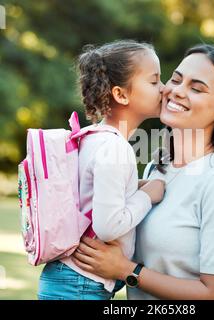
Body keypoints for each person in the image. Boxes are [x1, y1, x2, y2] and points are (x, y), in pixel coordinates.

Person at [71, 44, 214, 300]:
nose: (177, 91)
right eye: (176, 79)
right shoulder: (157, 168)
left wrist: (126, 270)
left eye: (196, 88)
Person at [38, 40, 166, 300]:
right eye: (154, 82)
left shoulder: (92, 137)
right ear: (121, 94)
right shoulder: (116, 148)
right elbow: (108, 226)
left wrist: (137, 186)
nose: (165, 89)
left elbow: (95, 193)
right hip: (80, 284)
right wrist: (147, 196)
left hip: (70, 278)